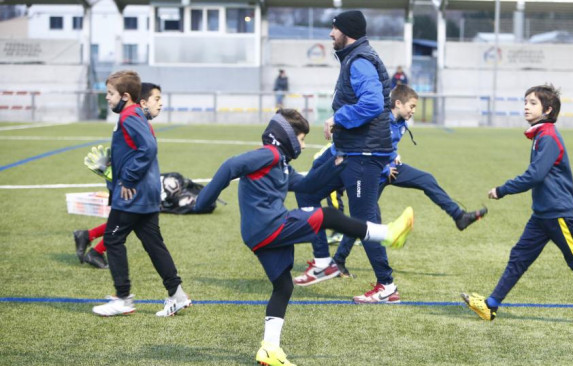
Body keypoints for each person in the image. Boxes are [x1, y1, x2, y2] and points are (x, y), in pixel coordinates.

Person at [192, 109, 414, 366]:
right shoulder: (270, 153)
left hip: (259, 236)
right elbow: (231, 166)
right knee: (327, 216)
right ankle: (387, 235)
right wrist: (202, 202)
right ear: (285, 137)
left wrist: (336, 163)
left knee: (284, 287)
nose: (304, 145)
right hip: (271, 226)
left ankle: (269, 350)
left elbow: (307, 183)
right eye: (301, 138)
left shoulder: (280, 165)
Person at [461, 84, 573, 326]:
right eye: (525, 101)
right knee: (519, 257)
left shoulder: (549, 136)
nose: (526, 106)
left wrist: (503, 190)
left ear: (548, 110)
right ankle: (490, 306)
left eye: (532, 103)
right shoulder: (540, 135)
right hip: (542, 215)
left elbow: (535, 175)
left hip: (557, 214)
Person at [293, 10, 402, 304]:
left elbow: (371, 103)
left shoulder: (361, 60)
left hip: (364, 153)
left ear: (347, 31)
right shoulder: (354, 57)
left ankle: (386, 285)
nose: (330, 34)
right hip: (350, 150)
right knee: (306, 190)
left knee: (364, 219)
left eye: (334, 28)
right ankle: (323, 262)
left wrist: (336, 119)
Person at [333, 84, 488, 277]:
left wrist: (393, 157)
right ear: (398, 103)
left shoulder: (400, 122)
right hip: (371, 174)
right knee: (362, 219)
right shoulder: (379, 119)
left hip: (390, 170)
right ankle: (338, 261)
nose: (413, 111)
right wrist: (384, 165)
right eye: (411, 106)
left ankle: (459, 216)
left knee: (426, 179)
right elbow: (364, 148)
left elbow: (388, 144)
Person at [92, 71, 191, 317]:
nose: (107, 98)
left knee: (113, 240)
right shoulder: (134, 115)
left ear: (125, 96)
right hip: (144, 193)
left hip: (133, 194)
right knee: (153, 243)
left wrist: (127, 178)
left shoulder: (129, 116)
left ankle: (123, 298)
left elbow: (148, 148)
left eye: (110, 94)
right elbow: (136, 151)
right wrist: (109, 169)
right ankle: (177, 295)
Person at [74, 82, 166, 270]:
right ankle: (118, 285)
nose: (161, 103)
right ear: (142, 102)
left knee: (128, 221)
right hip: (131, 184)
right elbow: (133, 154)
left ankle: (90, 241)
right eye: (157, 99)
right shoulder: (132, 120)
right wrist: (113, 173)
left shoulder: (138, 121)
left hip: (135, 183)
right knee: (127, 222)